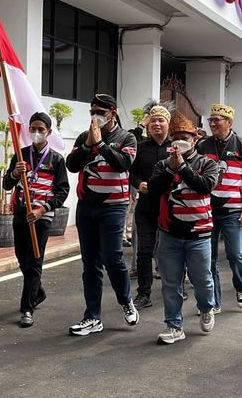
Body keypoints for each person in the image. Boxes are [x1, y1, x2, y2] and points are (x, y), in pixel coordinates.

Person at [65, 93, 139, 336]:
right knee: (91, 263)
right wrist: (88, 144)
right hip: (87, 205)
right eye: (92, 112)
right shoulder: (83, 137)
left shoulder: (127, 137)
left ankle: (126, 300)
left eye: (100, 112)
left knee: (112, 257)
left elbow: (123, 164)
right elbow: (72, 164)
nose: (95, 116)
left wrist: (101, 145)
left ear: (112, 113)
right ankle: (92, 316)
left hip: (113, 207)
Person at [149, 112, 220, 344]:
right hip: (169, 235)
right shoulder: (162, 165)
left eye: (185, 136)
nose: (180, 140)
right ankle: (174, 325)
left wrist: (184, 168)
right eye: (176, 136)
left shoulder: (208, 163)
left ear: (195, 139)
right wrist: (171, 169)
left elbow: (205, 186)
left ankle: (206, 307)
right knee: (171, 282)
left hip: (199, 234)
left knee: (202, 279)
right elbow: (153, 189)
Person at [3, 112, 69, 327]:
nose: (37, 132)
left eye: (41, 129)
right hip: (21, 214)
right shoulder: (21, 156)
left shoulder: (56, 159)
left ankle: (26, 308)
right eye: (33, 128)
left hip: (41, 217)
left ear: (49, 132)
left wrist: (44, 209)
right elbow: (6, 184)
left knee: (34, 261)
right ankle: (37, 291)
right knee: (22, 258)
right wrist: (14, 173)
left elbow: (62, 191)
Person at [197, 104, 242, 313]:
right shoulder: (203, 146)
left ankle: (241, 285)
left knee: (235, 254)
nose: (212, 123)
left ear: (229, 122)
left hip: (233, 210)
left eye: (217, 120)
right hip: (208, 210)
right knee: (209, 257)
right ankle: (214, 301)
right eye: (211, 120)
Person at [129, 105, 172, 309]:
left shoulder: (176, 146)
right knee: (144, 251)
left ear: (168, 124)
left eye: (161, 120)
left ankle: (175, 287)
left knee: (171, 251)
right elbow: (130, 173)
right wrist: (138, 184)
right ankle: (143, 293)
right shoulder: (141, 147)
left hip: (172, 208)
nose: (156, 124)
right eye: (153, 120)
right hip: (146, 207)